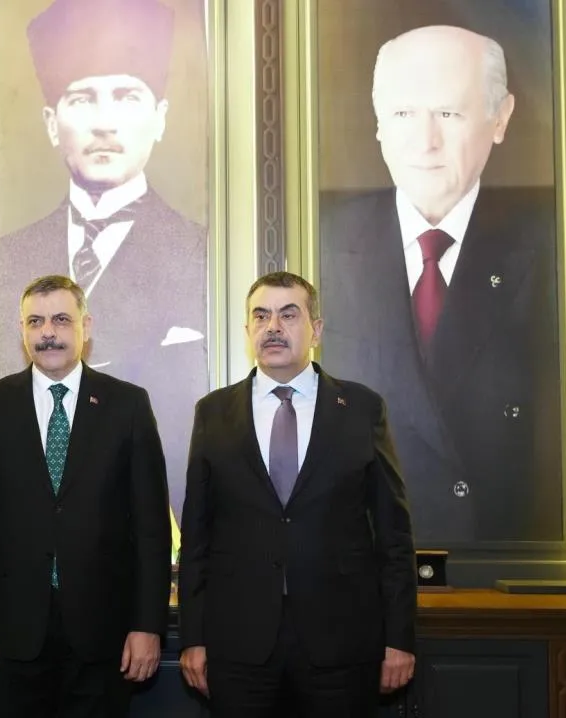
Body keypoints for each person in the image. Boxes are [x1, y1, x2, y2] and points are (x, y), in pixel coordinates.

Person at [319, 25, 561, 545]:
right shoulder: (320, 240)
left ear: (501, 118)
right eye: (404, 114)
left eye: (448, 114)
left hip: (505, 565)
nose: (425, 142)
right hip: (358, 565)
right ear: (378, 123)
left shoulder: (563, 248)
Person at [0, 0, 208, 538]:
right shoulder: (4, 260)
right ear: (51, 122)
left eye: (127, 96)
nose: (105, 122)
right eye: (82, 98)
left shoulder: (201, 254)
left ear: (160, 117)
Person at [178, 271, 417, 717]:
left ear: (316, 330)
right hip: (239, 644)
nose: (273, 327)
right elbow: (197, 536)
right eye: (261, 316)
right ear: (247, 330)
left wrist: (399, 637)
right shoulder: (213, 412)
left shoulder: (362, 409)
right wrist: (192, 637)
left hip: (342, 643)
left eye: (288, 315)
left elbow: (394, 534)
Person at [0, 275, 171, 717]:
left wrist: (148, 625)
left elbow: (151, 529)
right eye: (35, 322)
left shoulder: (127, 405)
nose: (48, 332)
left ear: (86, 326)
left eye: (61, 320)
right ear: (22, 330)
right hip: (10, 637)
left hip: (103, 637)